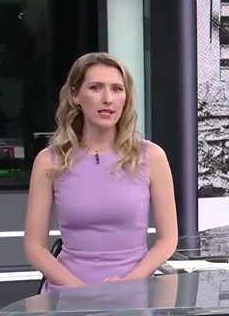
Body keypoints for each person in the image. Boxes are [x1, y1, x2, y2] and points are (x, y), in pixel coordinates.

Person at [23, 51, 178, 292]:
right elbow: (34, 248)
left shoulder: (152, 157)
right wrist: (84, 294)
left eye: (117, 89)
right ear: (75, 95)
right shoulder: (50, 161)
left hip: (132, 293)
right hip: (68, 295)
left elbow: (167, 240)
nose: (108, 99)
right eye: (96, 88)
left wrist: (127, 284)